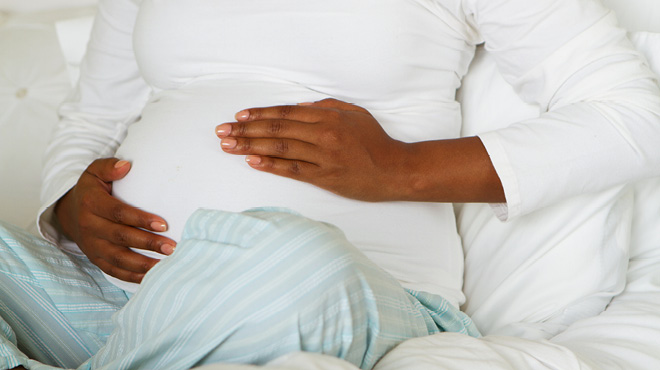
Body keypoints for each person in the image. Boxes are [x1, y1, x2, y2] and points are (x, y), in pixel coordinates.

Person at [1, 0, 660, 369]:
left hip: (328, 294)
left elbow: (636, 115)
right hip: (105, 300)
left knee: (282, 259)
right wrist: (67, 205)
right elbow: (92, 118)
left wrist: (402, 168)